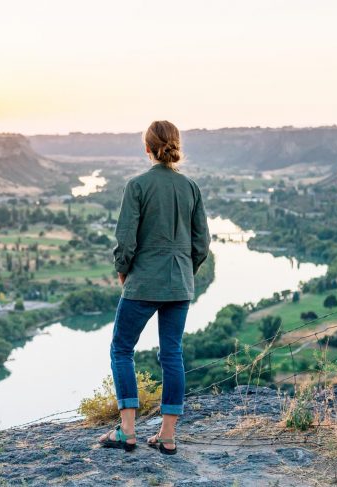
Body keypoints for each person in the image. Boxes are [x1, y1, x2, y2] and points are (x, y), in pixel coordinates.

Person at [98, 120, 210, 454]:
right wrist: (186, 272)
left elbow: (125, 240)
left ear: (147, 148)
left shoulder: (137, 186)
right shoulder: (190, 187)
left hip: (143, 281)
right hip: (179, 283)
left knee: (121, 349)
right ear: (175, 146)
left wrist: (123, 271)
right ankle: (168, 435)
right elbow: (201, 243)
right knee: (172, 353)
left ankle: (127, 431)